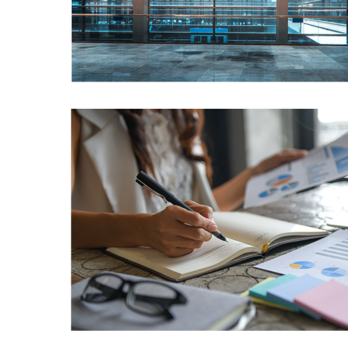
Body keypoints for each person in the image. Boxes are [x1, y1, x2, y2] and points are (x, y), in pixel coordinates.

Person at [70, 108, 306, 284]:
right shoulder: (79, 115)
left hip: (189, 276)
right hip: (113, 281)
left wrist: (257, 174)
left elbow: (193, 209)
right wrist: (143, 230)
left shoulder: (186, 113)